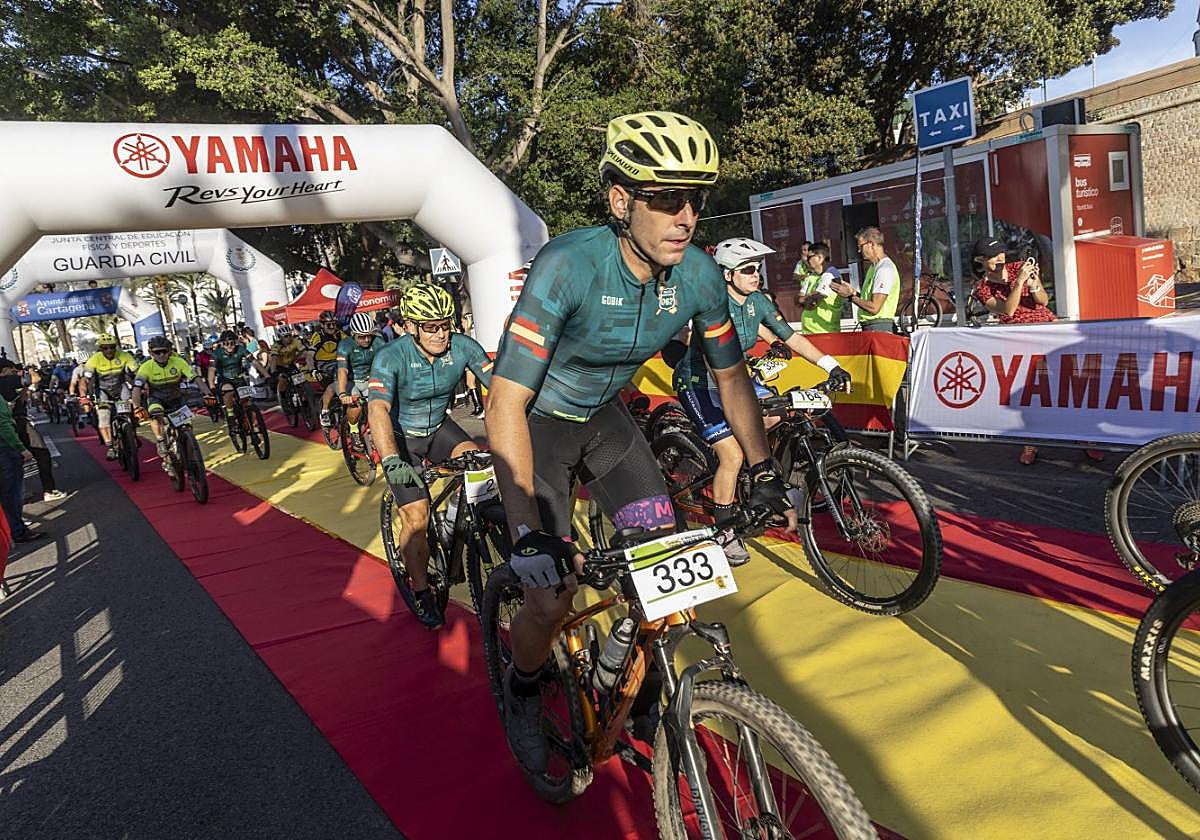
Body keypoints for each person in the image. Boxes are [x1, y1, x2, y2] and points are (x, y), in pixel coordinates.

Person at [485, 111, 796, 774]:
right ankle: (522, 687)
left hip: (606, 424)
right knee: (550, 595)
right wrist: (524, 533)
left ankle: (640, 687)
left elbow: (731, 374)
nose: (684, 216)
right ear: (621, 201)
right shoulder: (568, 265)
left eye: (695, 200)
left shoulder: (700, 276)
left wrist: (763, 472)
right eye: (665, 199)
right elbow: (505, 399)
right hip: (538, 428)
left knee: (667, 576)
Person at [671, 237, 851, 564]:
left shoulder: (757, 301)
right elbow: (716, 363)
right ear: (727, 276)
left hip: (737, 379)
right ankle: (724, 531)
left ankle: (760, 482)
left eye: (759, 270)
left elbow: (792, 337)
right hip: (701, 382)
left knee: (780, 415)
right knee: (733, 454)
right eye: (749, 270)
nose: (757, 276)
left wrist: (831, 365)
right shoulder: (712, 304)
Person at [368, 282, 493, 629]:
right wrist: (392, 461)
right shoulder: (391, 357)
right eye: (430, 326)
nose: (441, 334)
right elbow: (377, 409)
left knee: (480, 464)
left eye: (445, 324)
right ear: (410, 326)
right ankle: (421, 590)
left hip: (439, 428)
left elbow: (498, 388)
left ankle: (455, 518)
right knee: (417, 518)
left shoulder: (464, 347)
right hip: (402, 438)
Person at [969, 236, 1100, 466]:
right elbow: (1008, 310)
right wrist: (1019, 283)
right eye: (993, 256)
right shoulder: (982, 288)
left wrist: (1034, 285)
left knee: (1067, 385)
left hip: (1046, 332)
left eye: (1001, 253)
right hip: (1018, 339)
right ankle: (1030, 442)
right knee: (1030, 393)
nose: (1000, 259)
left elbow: (1043, 300)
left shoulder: (1018, 267)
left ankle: (1085, 437)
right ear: (981, 260)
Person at [132, 336, 205, 474]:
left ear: (170, 351)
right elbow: (136, 388)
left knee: (187, 428)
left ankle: (190, 459)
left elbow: (196, 378)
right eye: (157, 352)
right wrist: (137, 407)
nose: (161, 355)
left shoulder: (178, 362)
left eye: (164, 351)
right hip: (157, 399)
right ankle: (160, 440)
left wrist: (207, 394)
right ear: (151, 353)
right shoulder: (146, 367)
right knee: (156, 413)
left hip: (176, 399)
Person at [0, 360, 64, 502]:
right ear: (5, 370)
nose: (15, 373)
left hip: (11, 424)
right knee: (41, 454)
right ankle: (49, 490)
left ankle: (19, 497)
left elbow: (22, 398)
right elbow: (35, 378)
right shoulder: (7, 380)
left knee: (12, 463)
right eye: (12, 370)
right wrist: (28, 371)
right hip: (16, 423)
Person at [831, 226, 900, 333]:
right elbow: (868, 301)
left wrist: (850, 296)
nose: (859, 250)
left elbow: (874, 308)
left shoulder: (884, 269)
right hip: (872, 327)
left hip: (879, 328)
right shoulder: (874, 267)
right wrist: (852, 292)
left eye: (861, 246)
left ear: (871, 244)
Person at [80, 334, 138, 460]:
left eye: (112, 347)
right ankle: (110, 446)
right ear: (101, 348)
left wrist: (141, 386)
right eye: (105, 348)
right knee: (104, 417)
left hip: (120, 387)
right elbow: (85, 380)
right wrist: (84, 396)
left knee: (131, 408)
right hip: (103, 391)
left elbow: (137, 373)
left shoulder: (124, 355)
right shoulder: (94, 360)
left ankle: (132, 433)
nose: (109, 351)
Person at [0, 389, 42, 543]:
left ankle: (12, 530)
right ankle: (16, 530)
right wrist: (21, 448)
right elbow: (3, 426)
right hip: (5, 450)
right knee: (11, 495)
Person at [335, 312, 386, 434]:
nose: (367, 340)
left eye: (369, 335)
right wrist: (342, 394)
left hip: (370, 379)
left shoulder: (378, 341)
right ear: (353, 334)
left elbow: (388, 363)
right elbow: (342, 370)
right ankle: (353, 431)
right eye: (362, 337)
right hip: (351, 381)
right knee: (356, 406)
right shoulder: (344, 345)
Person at [207, 330, 267, 416]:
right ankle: (230, 415)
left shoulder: (241, 349)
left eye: (232, 343)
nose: (230, 346)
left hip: (238, 378)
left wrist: (267, 375)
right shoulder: (217, 353)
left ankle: (251, 420)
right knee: (229, 391)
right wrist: (212, 386)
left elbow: (255, 362)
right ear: (222, 344)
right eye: (226, 344)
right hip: (225, 379)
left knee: (248, 401)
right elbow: (211, 370)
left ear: (235, 342)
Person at [308, 311, 346, 428]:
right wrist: (313, 370)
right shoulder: (318, 336)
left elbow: (351, 343)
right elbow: (309, 355)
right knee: (333, 384)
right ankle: (324, 412)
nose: (331, 327)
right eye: (328, 324)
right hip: (323, 365)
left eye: (334, 324)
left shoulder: (340, 334)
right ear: (322, 325)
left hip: (338, 362)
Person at [796, 242, 843, 334]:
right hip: (808, 331)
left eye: (809, 257)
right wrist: (807, 297)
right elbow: (797, 301)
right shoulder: (811, 276)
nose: (806, 259)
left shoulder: (831, 274)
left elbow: (813, 302)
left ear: (820, 258)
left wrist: (806, 298)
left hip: (825, 331)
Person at [268, 325, 306, 408]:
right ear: (280, 337)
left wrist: (302, 359)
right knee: (283, 379)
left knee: (300, 380)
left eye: (290, 335)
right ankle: (283, 398)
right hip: (280, 366)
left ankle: (304, 397)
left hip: (291, 364)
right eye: (285, 336)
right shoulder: (276, 345)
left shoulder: (295, 341)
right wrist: (273, 372)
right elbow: (273, 359)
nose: (288, 337)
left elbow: (303, 351)